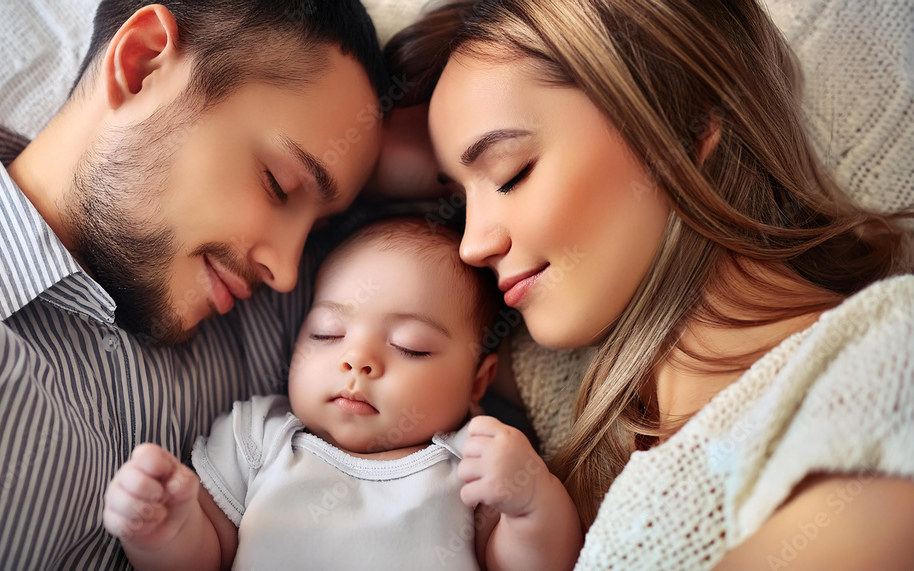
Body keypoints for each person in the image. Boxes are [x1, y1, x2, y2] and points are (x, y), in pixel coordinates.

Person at [382, 0, 914, 568]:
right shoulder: (589, 424)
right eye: (457, 200)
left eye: (511, 173)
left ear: (686, 132)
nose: (471, 244)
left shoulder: (883, 354)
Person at [0, 1, 389, 567]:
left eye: (316, 228)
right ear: (141, 65)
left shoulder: (307, 328)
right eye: (279, 186)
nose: (284, 270)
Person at [102, 218, 582, 570]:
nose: (357, 361)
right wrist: (163, 529)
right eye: (328, 334)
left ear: (478, 382)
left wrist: (531, 502)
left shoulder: (470, 466)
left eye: (409, 347)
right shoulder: (261, 439)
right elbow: (206, 556)